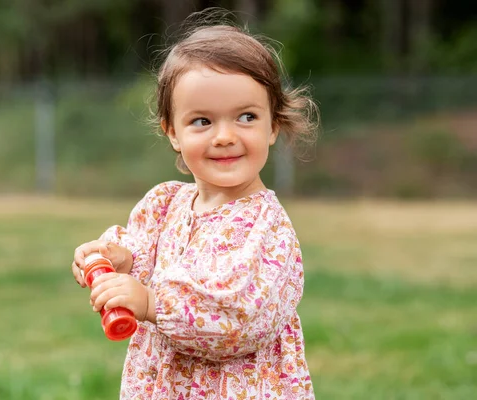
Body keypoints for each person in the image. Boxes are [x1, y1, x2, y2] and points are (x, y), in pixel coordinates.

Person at [71, 15, 318, 400]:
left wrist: (152, 302)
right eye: (202, 121)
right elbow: (147, 259)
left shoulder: (265, 230)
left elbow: (238, 319)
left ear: (273, 126)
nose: (224, 136)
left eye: (246, 117)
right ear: (173, 132)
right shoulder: (164, 204)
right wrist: (117, 260)